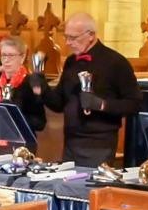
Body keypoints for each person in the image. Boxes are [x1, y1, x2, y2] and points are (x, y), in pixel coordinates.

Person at [41, 13, 141, 164]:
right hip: (70, 143)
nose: (68, 42)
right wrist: (41, 88)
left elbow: (134, 103)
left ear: (91, 35)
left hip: (99, 146)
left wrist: (101, 104)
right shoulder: (71, 62)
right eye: (66, 37)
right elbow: (58, 104)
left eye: (73, 38)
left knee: (92, 188)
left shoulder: (116, 62)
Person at [0, 35, 46, 148]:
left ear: (22, 57)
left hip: (22, 145)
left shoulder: (30, 84)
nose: (6, 60)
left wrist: (15, 115)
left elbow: (40, 123)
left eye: (11, 56)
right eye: (3, 55)